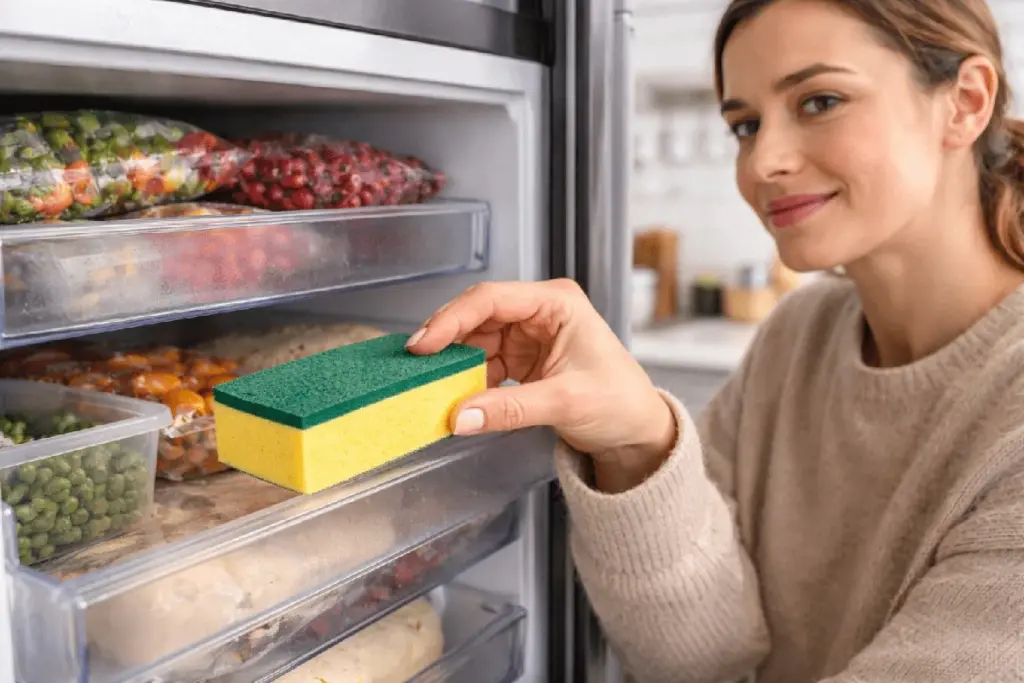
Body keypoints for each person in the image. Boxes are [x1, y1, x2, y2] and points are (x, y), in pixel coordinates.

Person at [408, 0, 1024, 680]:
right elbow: (706, 655)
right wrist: (637, 439)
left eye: (820, 101)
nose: (764, 161)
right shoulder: (800, 335)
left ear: (965, 102)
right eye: (745, 125)